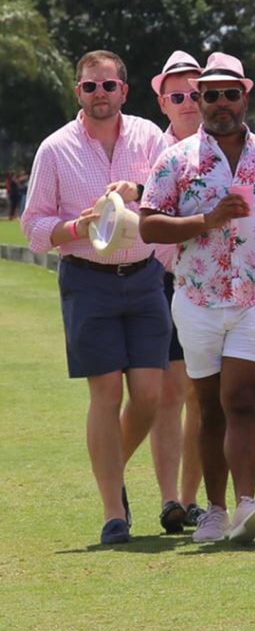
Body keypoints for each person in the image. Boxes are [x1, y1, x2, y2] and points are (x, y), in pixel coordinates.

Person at [139, 52, 255, 546]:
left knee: (242, 399)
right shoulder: (176, 159)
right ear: (200, 101)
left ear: (245, 96)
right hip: (198, 298)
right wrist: (205, 220)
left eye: (231, 94)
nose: (221, 103)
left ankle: (247, 503)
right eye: (211, 95)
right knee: (209, 407)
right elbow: (148, 223)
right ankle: (212, 510)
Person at [22, 50, 170, 545]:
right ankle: (114, 512)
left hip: (146, 276)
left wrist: (139, 186)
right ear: (78, 92)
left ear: (124, 91)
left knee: (150, 396)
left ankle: (112, 470)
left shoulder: (150, 137)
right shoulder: (55, 148)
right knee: (105, 393)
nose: (100, 94)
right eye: (90, 87)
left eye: (108, 86)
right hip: (87, 280)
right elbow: (35, 228)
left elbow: (175, 196)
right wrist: (74, 227)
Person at [148, 51, 206, 533]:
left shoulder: (230, 146)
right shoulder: (152, 148)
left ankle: (190, 500)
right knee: (171, 393)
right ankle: (170, 499)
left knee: (205, 396)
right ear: (163, 102)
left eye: (195, 93)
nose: (189, 103)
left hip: (216, 285)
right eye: (178, 96)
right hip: (164, 283)